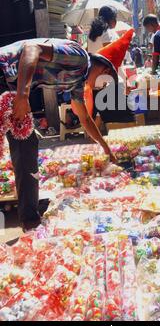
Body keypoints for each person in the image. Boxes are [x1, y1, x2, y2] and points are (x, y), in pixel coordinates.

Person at [0, 38, 120, 231]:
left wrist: (106, 149)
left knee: (26, 146)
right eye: (105, 84)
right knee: (25, 146)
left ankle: (30, 220)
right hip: (5, 76)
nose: (100, 88)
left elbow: (85, 119)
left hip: (10, 87)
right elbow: (32, 48)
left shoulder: (77, 83)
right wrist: (23, 95)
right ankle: (30, 220)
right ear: (104, 71)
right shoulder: (79, 58)